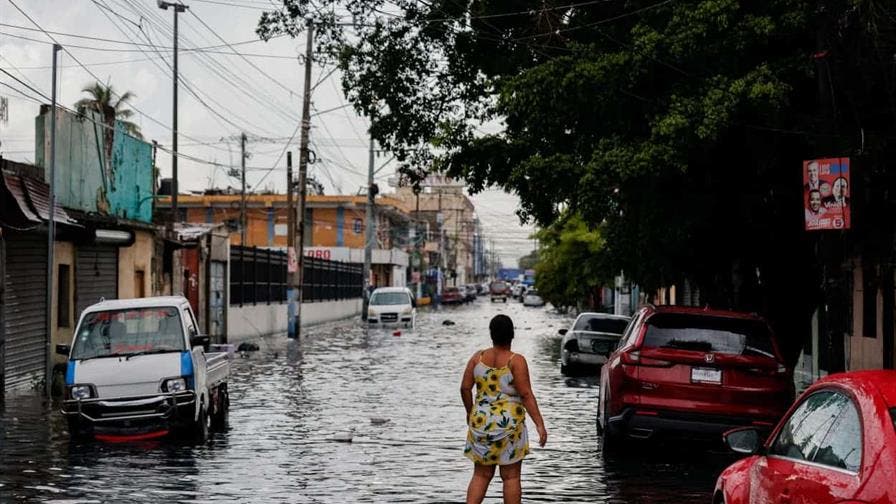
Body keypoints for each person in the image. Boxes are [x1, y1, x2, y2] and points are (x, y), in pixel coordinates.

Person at [460, 314, 547, 504]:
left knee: (481, 475)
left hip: (480, 424)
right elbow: (526, 395)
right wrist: (540, 425)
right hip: (509, 427)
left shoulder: (477, 358)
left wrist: (470, 412)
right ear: (512, 335)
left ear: (491, 334)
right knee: (511, 477)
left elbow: (465, 388)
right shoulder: (516, 361)